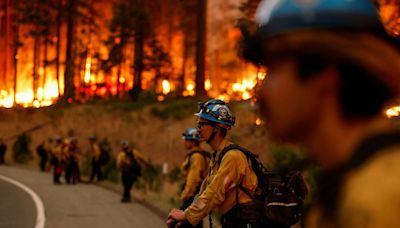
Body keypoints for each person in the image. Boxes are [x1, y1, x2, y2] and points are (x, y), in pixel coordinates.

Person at [243, 0, 400, 227]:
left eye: (274, 69)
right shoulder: (346, 187)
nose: (261, 89)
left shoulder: (379, 201)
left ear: (325, 76)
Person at [167, 99, 260, 228]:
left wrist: (186, 215)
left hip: (244, 221)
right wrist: (187, 214)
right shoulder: (218, 155)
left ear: (217, 127)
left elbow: (215, 192)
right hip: (232, 219)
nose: (198, 129)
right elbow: (205, 190)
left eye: (202, 124)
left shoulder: (232, 157)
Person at [179, 128, 210, 228]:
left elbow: (193, 179)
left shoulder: (196, 156)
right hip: (195, 194)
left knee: (182, 222)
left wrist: (185, 194)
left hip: (193, 195)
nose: (184, 142)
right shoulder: (195, 154)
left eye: (186, 139)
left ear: (193, 141)